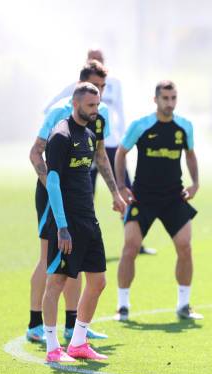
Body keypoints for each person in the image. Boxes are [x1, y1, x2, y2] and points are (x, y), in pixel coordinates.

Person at [28, 60, 112, 343]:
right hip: (54, 196)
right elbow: (36, 153)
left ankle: (72, 326)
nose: (99, 93)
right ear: (80, 87)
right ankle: (34, 323)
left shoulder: (97, 119)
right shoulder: (59, 114)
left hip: (79, 199)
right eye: (95, 87)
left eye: (102, 88)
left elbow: (100, 157)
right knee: (49, 261)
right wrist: (55, 190)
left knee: (78, 264)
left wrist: (116, 193)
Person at [42, 82, 126, 362]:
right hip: (67, 222)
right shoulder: (60, 135)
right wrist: (62, 226)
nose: (96, 110)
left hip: (89, 220)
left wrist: (115, 194)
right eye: (91, 105)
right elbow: (52, 182)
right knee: (57, 282)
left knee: (98, 281)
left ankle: (78, 342)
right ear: (76, 104)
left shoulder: (90, 134)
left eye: (98, 105)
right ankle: (53, 348)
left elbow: (98, 164)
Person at [45, 48, 156, 255]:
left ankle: (135, 240)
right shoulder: (75, 92)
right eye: (93, 59)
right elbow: (52, 107)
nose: (99, 91)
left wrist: (122, 138)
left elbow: (120, 111)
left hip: (107, 144)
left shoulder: (114, 86)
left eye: (101, 59)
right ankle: (79, 231)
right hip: (81, 147)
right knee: (85, 190)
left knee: (126, 190)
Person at [113, 80, 202, 322]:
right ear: (156, 100)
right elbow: (121, 152)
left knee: (185, 247)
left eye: (173, 98)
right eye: (165, 98)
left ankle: (184, 304)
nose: (170, 103)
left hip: (174, 197)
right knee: (130, 248)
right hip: (142, 197)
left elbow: (191, 155)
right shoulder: (140, 126)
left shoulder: (184, 126)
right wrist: (121, 187)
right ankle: (122, 306)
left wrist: (195, 183)